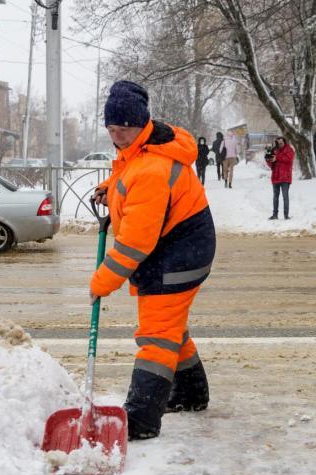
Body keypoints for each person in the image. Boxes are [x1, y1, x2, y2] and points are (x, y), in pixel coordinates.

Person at [89, 80, 216, 440]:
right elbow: (128, 170)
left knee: (157, 334)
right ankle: (191, 392)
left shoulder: (152, 169)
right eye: (112, 130)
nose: (119, 137)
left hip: (178, 253)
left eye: (125, 130)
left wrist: (102, 281)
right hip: (176, 246)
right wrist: (111, 187)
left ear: (142, 125)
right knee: (170, 324)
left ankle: (142, 418)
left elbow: (134, 244)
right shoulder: (145, 148)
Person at [266, 136, 295, 220]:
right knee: (275, 197)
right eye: (278, 143)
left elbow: (289, 159)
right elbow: (271, 165)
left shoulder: (289, 149)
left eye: (281, 142)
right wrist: (268, 158)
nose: (280, 144)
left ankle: (286, 215)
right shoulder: (274, 150)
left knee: (285, 196)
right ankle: (275, 215)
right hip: (275, 176)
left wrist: (277, 157)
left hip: (285, 177)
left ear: (284, 142)